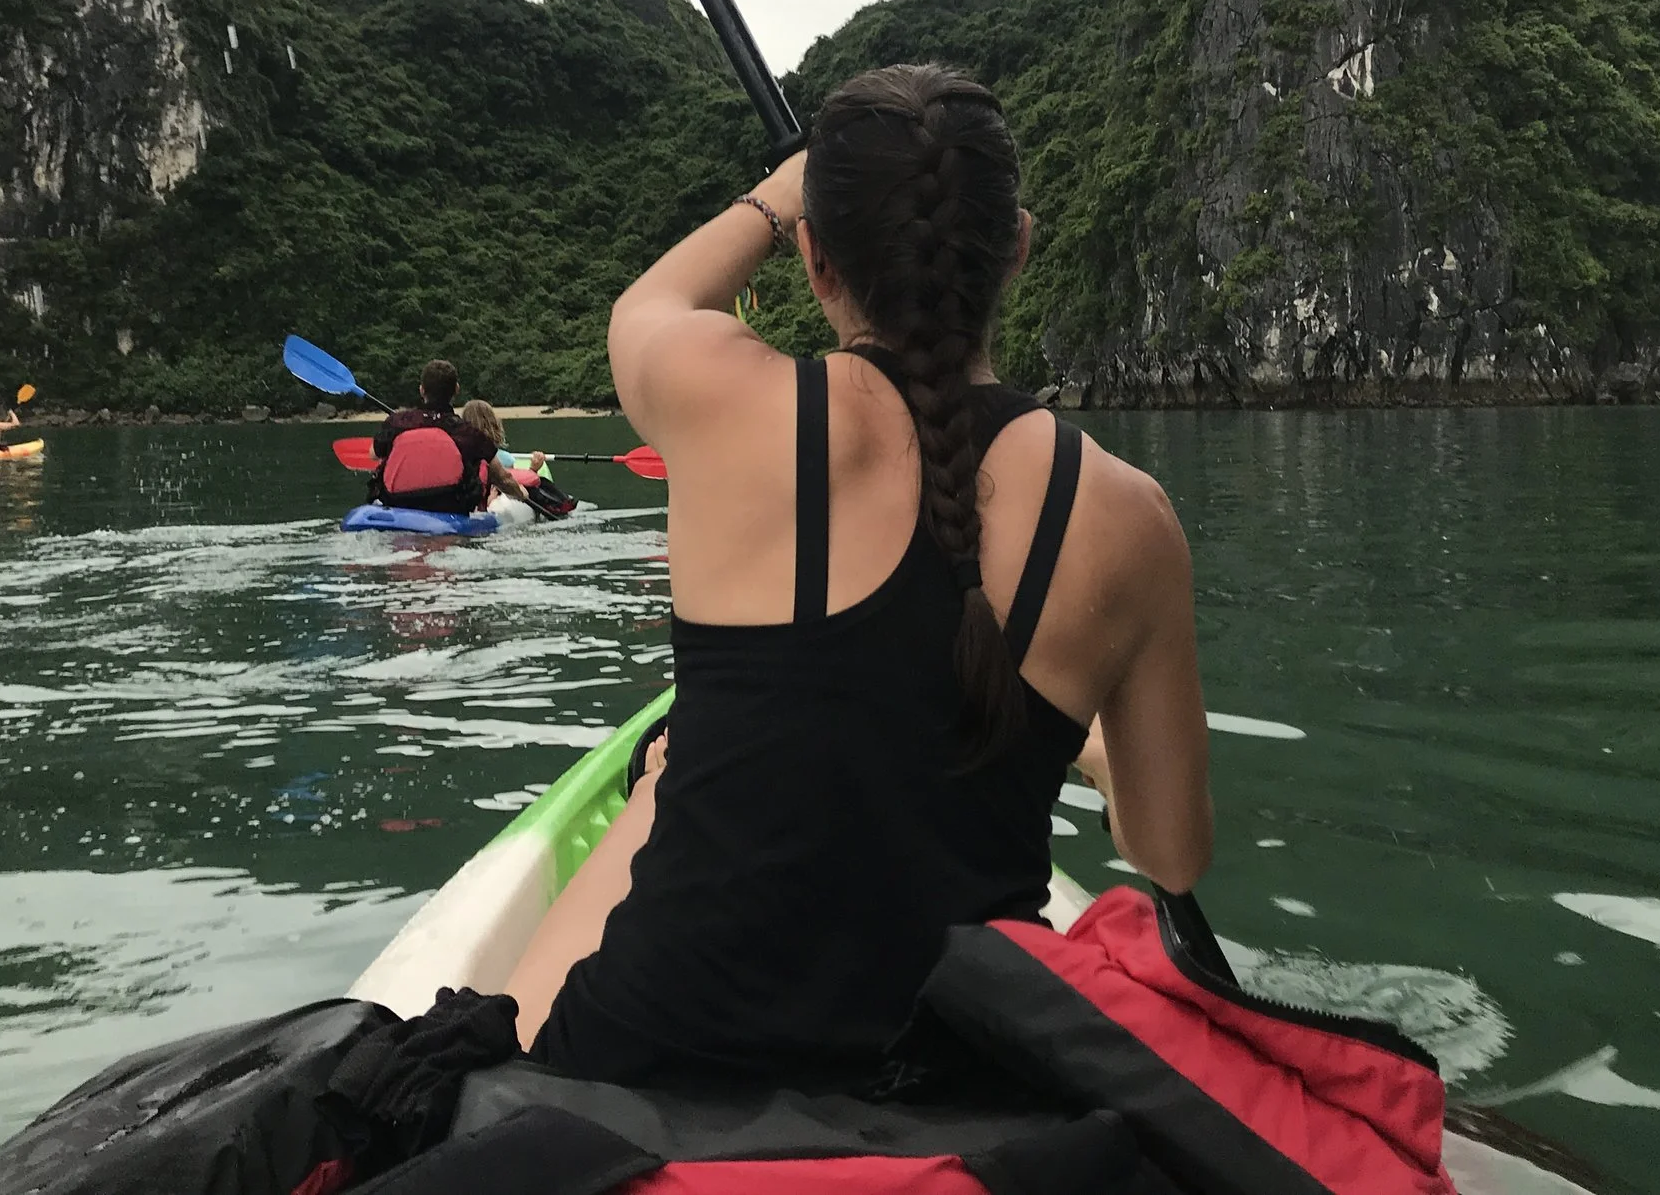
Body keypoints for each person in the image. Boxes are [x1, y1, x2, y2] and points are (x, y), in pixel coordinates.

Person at [506, 63, 1213, 1094]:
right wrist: (1098, 759)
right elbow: (1174, 859)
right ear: (1016, 249)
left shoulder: (723, 404)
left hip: (653, 1055)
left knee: (656, 795)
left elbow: (652, 302)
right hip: (953, 1080)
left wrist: (776, 194)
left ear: (813, 259)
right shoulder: (1129, 517)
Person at [370, 360, 528, 513]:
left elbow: (374, 454)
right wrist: (521, 494)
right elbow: (502, 478)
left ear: (422, 390)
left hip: (398, 505)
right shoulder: (469, 433)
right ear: (456, 389)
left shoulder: (397, 422)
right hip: (450, 508)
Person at [462, 398, 578, 521]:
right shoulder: (504, 458)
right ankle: (559, 504)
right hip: (495, 496)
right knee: (538, 483)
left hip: (478, 498)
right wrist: (533, 470)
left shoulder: (462, 454)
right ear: (494, 426)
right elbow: (510, 484)